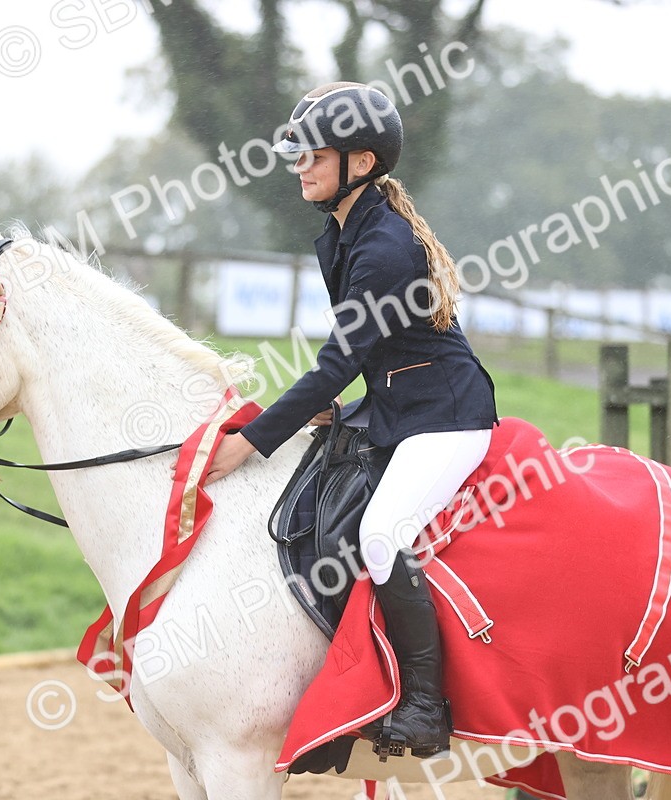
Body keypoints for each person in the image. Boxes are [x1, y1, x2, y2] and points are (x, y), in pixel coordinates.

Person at [203, 82, 498, 757]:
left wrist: (251, 442)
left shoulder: (384, 247)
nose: (300, 165)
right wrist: (338, 409)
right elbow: (368, 358)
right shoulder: (348, 231)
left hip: (446, 418)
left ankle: (425, 706)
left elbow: (338, 361)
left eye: (313, 154)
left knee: (381, 534)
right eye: (298, 153)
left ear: (359, 164)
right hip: (401, 404)